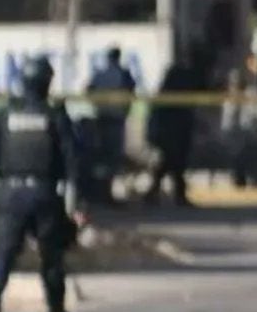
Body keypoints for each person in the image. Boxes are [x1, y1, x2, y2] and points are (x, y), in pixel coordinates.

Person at [0, 56, 83, 312]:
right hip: (45, 193)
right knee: (51, 254)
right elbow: (72, 160)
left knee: (4, 252)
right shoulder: (55, 116)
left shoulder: (4, 115)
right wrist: (78, 203)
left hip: (9, 194)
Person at [144, 50, 202, 207]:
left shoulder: (169, 95)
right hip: (172, 134)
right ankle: (169, 195)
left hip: (175, 134)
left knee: (172, 165)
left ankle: (158, 194)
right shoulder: (170, 97)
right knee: (173, 165)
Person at [86, 45, 137, 204]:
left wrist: (98, 105)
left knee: (102, 157)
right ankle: (106, 194)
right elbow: (131, 91)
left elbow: (88, 90)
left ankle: (102, 193)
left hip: (102, 118)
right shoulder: (123, 74)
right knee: (112, 158)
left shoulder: (100, 74)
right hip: (116, 120)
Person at [221, 53, 257, 189]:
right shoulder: (240, 84)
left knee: (253, 152)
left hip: (253, 125)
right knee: (240, 152)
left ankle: (254, 178)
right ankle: (241, 178)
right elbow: (230, 109)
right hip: (242, 127)